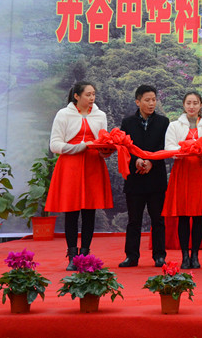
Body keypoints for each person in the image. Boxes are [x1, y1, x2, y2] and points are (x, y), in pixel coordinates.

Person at [47, 81, 113, 271]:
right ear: (76, 96)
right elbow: (55, 145)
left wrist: (106, 151)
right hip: (70, 165)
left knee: (90, 211)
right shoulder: (63, 114)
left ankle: (85, 255)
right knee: (71, 211)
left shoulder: (100, 115)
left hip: (93, 165)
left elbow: (102, 142)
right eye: (88, 95)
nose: (92, 98)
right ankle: (72, 256)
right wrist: (80, 147)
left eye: (93, 94)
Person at [162, 91, 202, 269]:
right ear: (184, 105)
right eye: (188, 103)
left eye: (195, 103)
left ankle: (195, 255)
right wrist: (185, 149)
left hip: (200, 171)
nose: (192, 106)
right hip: (182, 171)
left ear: (201, 105)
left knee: (199, 216)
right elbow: (169, 147)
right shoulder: (174, 125)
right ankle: (185, 255)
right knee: (183, 216)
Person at [119, 85, 170, 268]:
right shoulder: (128, 123)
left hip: (156, 178)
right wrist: (137, 161)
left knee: (158, 220)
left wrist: (151, 162)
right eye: (147, 100)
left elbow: (166, 147)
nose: (151, 103)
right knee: (134, 220)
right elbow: (124, 148)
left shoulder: (163, 122)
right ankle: (131, 256)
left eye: (154, 100)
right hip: (135, 178)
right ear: (137, 101)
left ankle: (159, 256)